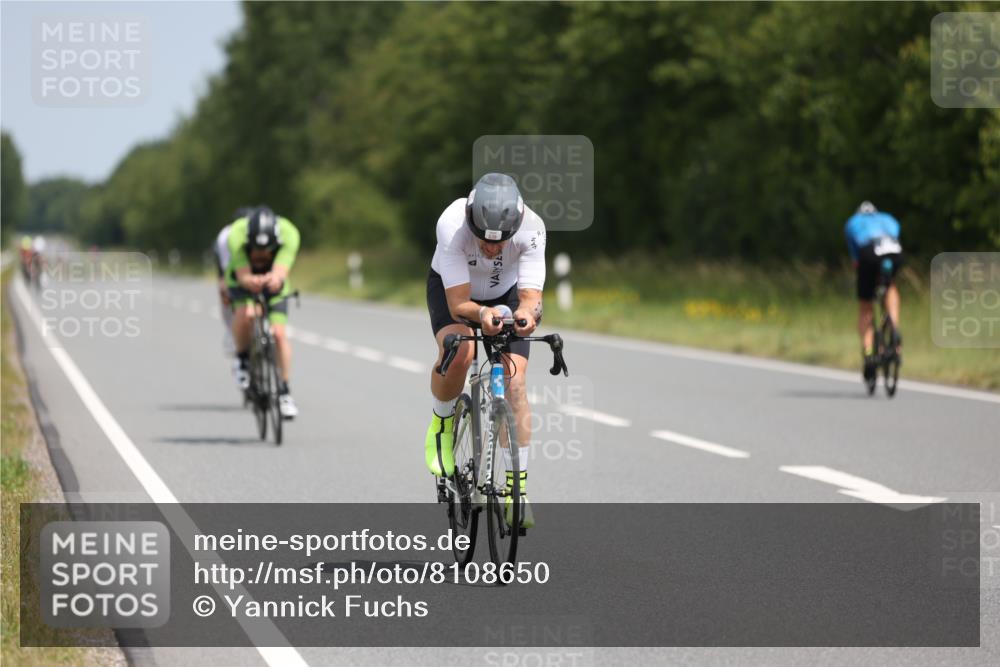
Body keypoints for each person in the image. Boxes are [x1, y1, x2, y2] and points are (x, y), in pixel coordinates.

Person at [424, 173, 546, 529]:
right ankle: (441, 425)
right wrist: (481, 314)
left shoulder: (532, 228)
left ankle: (516, 490)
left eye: (501, 242)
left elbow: (531, 299)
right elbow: (459, 302)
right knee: (460, 353)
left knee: (516, 383)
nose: (492, 249)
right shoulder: (452, 223)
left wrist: (526, 315)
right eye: (484, 240)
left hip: (505, 293)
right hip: (456, 292)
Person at [225, 206, 301, 419]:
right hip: (242, 279)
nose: (259, 255)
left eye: (265, 251)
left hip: (273, 280)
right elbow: (243, 276)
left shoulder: (290, 234)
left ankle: (285, 392)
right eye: (255, 251)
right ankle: (242, 359)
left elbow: (279, 273)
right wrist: (251, 281)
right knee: (246, 314)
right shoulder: (236, 235)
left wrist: (273, 279)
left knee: (279, 334)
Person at [844, 201, 903, 382]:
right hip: (893, 250)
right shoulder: (888, 219)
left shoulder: (853, 222)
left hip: (869, 251)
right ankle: (893, 326)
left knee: (866, 306)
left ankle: (869, 353)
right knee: (890, 286)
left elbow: (857, 261)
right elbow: (895, 236)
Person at [214, 207, 253, 361]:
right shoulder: (226, 237)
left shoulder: (258, 232)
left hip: (248, 260)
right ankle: (231, 331)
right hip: (228, 262)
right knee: (225, 292)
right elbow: (226, 269)